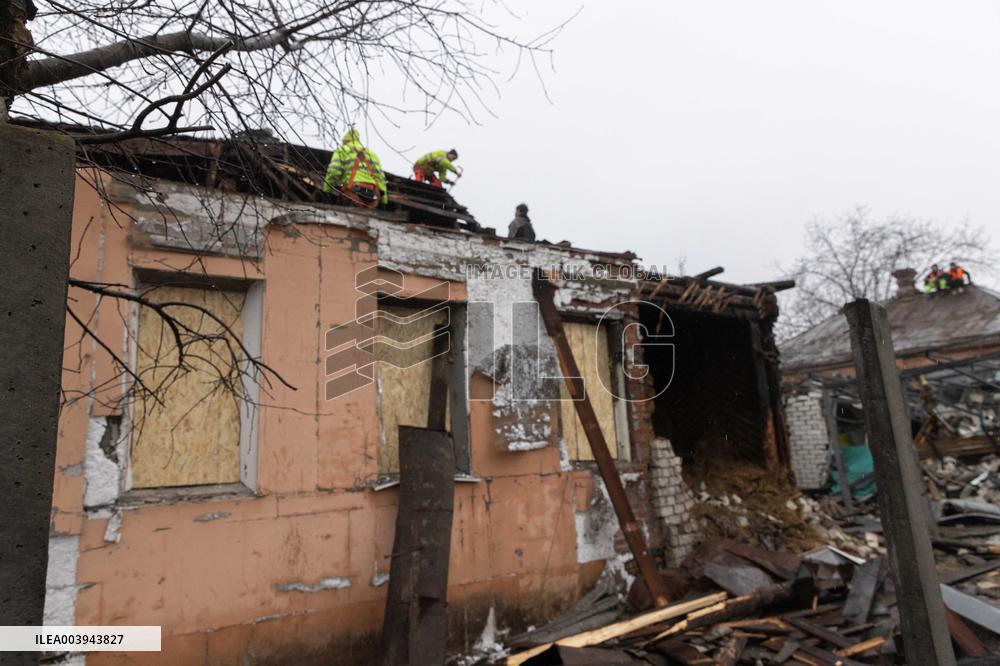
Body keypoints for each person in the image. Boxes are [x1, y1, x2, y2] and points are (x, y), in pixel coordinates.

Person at [323, 129, 387, 207]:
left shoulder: (342, 150)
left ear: (345, 141)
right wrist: (384, 201)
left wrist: (326, 190)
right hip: (373, 197)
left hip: (353, 193)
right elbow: (381, 178)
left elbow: (334, 172)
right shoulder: (372, 154)